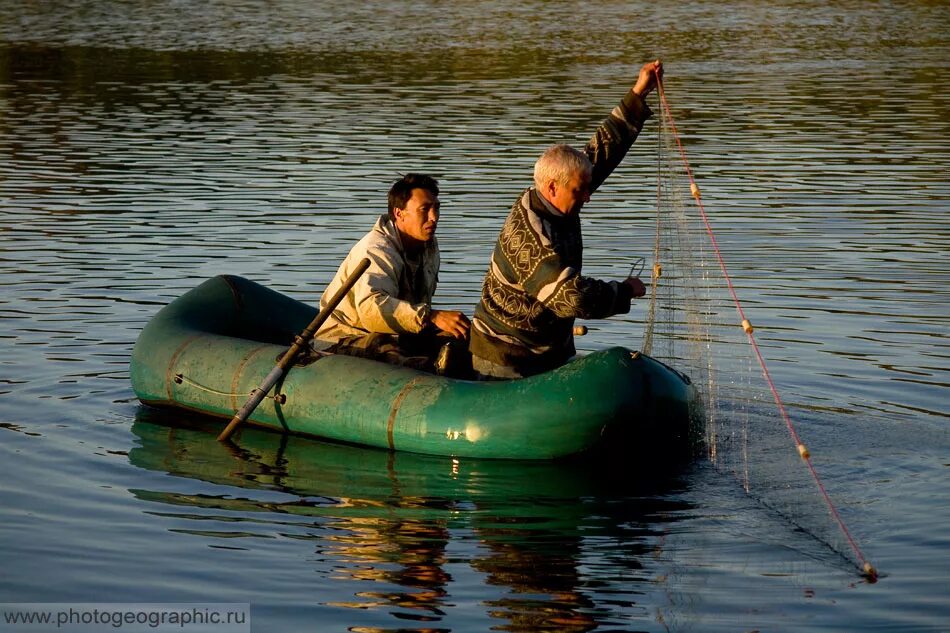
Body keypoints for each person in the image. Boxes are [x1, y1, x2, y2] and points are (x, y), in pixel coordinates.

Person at [469, 60, 663, 379]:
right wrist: (624, 291)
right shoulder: (529, 235)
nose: (587, 197)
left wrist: (639, 93)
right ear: (552, 187)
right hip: (506, 354)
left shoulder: (562, 197)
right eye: (579, 191)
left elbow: (601, 153)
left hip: (550, 348)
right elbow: (569, 297)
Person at [312, 173, 470, 373]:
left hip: (401, 330)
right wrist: (431, 316)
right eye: (425, 209)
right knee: (386, 350)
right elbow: (370, 310)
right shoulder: (376, 249)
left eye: (436, 208)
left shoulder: (428, 245)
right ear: (399, 213)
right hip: (346, 336)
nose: (434, 217)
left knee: (461, 335)